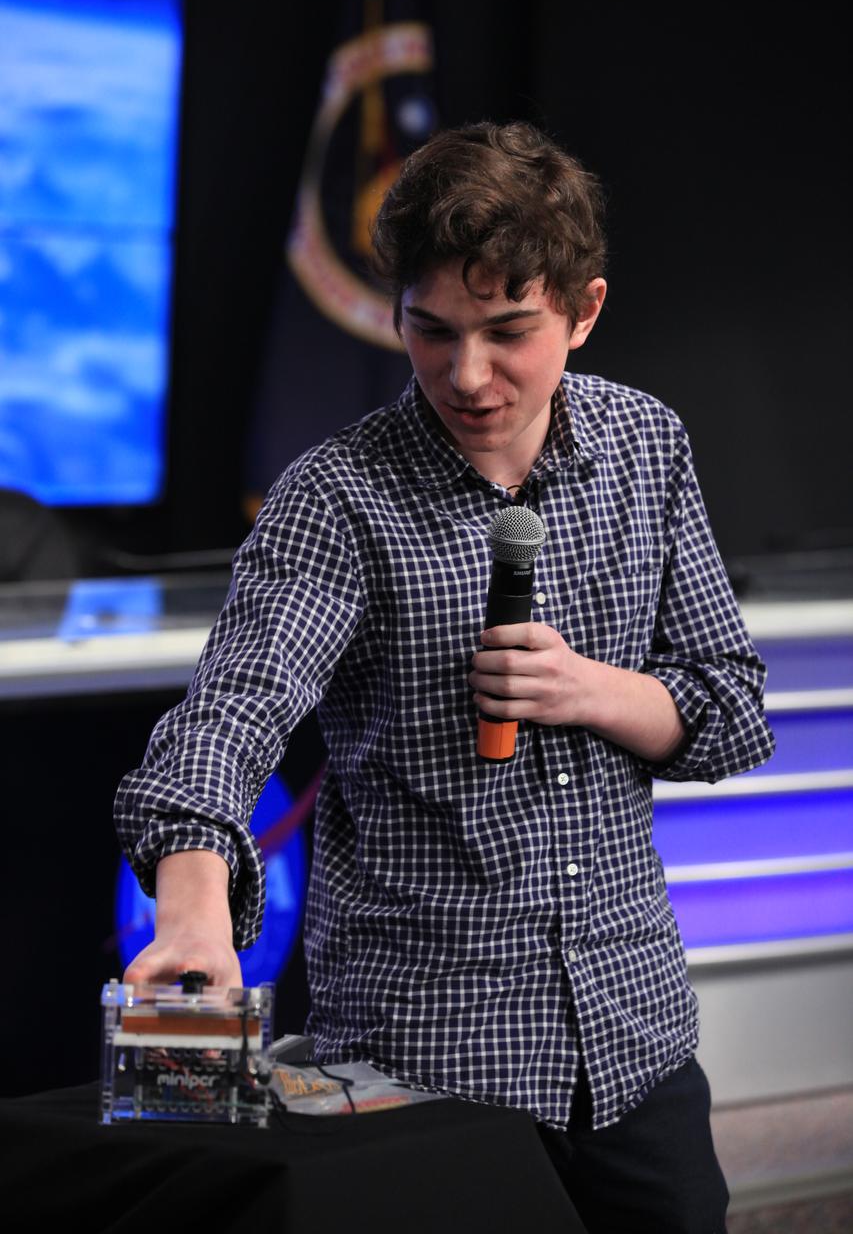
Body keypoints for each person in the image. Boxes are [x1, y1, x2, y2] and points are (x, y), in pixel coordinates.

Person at [115, 122, 774, 1232]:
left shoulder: (645, 446)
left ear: (584, 311)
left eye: (508, 332)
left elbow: (730, 709)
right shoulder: (339, 497)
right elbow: (228, 717)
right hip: (425, 1057)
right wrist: (190, 917)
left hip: (631, 1032)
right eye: (432, 331)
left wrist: (587, 689)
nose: (467, 376)